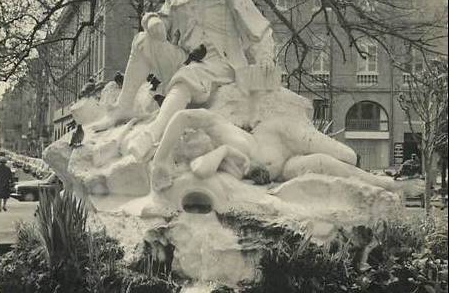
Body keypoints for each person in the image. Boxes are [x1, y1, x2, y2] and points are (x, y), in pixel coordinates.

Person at [94, 0, 278, 162]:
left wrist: (265, 55)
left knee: (189, 75)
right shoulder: (175, 2)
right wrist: (151, 21)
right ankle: (123, 107)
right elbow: (159, 20)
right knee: (143, 40)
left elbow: (257, 27)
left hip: (222, 64)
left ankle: (153, 133)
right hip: (188, 61)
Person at [150, 107, 398, 194]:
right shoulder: (221, 161)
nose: (191, 143)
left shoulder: (213, 124)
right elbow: (201, 169)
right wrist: (222, 151)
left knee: (348, 155)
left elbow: (182, 116)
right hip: (282, 169)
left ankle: (369, 170)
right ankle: (384, 184)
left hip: (276, 135)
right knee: (325, 164)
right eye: (186, 149)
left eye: (187, 139)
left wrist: (159, 160)